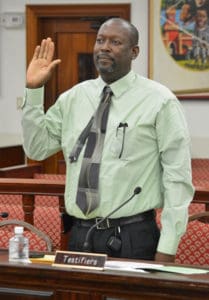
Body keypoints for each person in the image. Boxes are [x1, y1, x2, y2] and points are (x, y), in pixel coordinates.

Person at [21, 18, 194, 263]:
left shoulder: (160, 101)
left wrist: (168, 246)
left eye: (115, 42)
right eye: (100, 40)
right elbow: (36, 149)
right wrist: (33, 90)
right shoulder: (74, 98)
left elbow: (178, 178)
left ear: (134, 52)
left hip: (133, 235)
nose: (104, 47)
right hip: (79, 234)